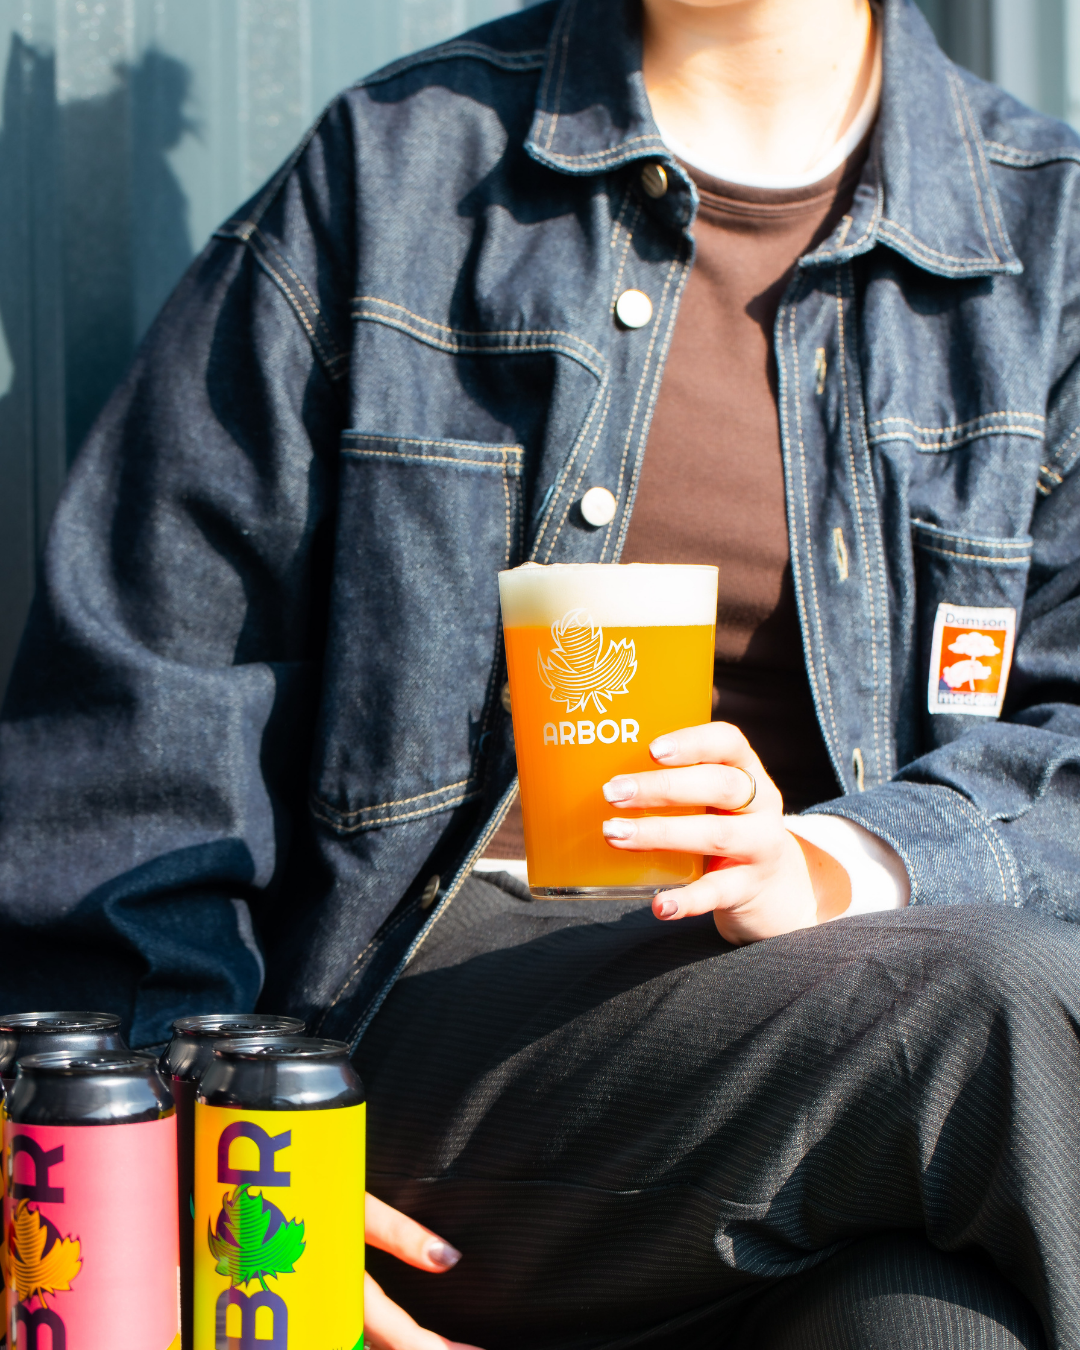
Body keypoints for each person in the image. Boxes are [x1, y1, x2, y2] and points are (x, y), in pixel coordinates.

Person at [1, 0, 1080, 1344]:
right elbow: (136, 745)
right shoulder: (398, 173)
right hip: (440, 1057)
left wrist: (834, 861)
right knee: (1003, 1008)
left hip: (832, 1072)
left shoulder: (1049, 243)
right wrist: (212, 1177)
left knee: (931, 1325)